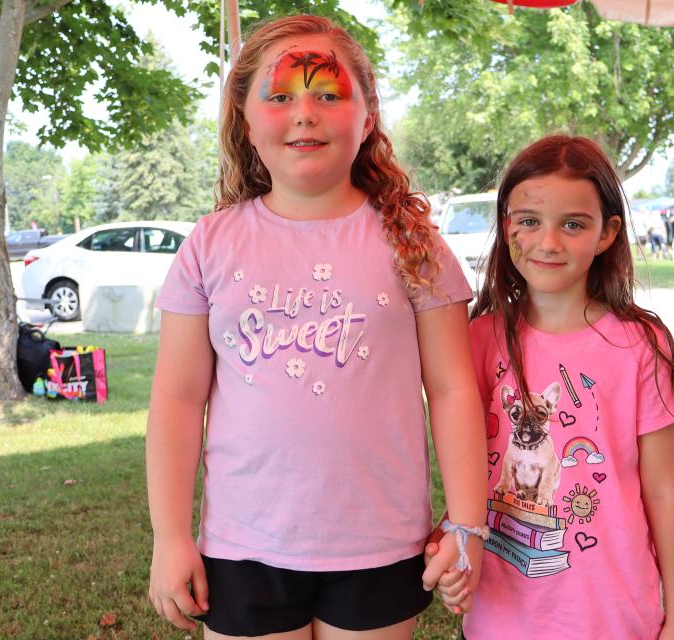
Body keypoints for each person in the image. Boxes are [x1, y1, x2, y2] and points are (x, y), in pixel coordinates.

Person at [146, 15, 487, 640]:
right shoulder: (209, 244)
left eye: (329, 94)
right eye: (280, 97)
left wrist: (467, 522)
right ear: (246, 120)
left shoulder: (414, 244)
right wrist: (170, 537)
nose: (305, 113)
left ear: (368, 116)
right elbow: (176, 397)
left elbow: (453, 389)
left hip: (381, 545)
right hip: (243, 545)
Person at [426, 135, 674, 639]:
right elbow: (468, 468)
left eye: (572, 224)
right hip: (499, 616)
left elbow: (664, 492)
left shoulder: (641, 345)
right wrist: (456, 552)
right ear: (506, 225)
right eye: (529, 221)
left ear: (606, 233)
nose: (548, 242)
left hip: (612, 616)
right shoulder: (478, 338)